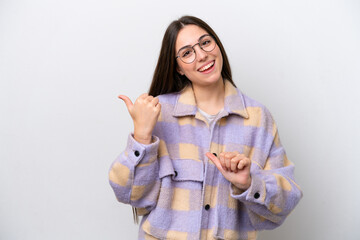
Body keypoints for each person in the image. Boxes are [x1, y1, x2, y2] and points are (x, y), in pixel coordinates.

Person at [109, 15, 302, 240]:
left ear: (217, 44)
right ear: (178, 68)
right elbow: (127, 193)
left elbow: (287, 202)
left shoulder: (258, 118)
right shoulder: (159, 113)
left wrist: (249, 182)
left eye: (205, 42)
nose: (202, 55)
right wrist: (141, 136)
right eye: (187, 53)